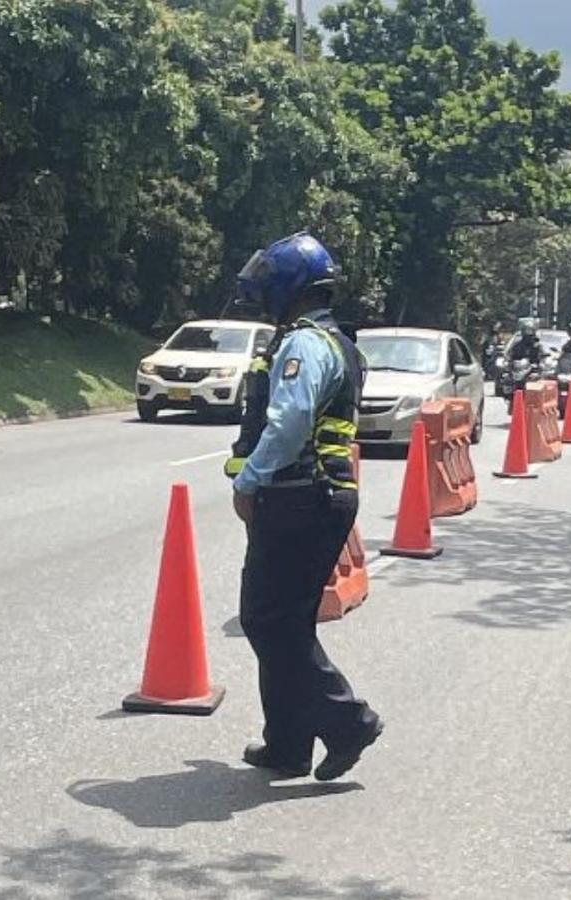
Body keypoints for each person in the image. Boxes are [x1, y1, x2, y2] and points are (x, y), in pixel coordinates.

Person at [229, 232, 382, 782]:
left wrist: (250, 479)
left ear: (289, 286)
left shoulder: (304, 344)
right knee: (286, 623)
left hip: (299, 495)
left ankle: (348, 722)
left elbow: (290, 423)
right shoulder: (335, 340)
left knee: (268, 623)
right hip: (315, 496)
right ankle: (288, 744)